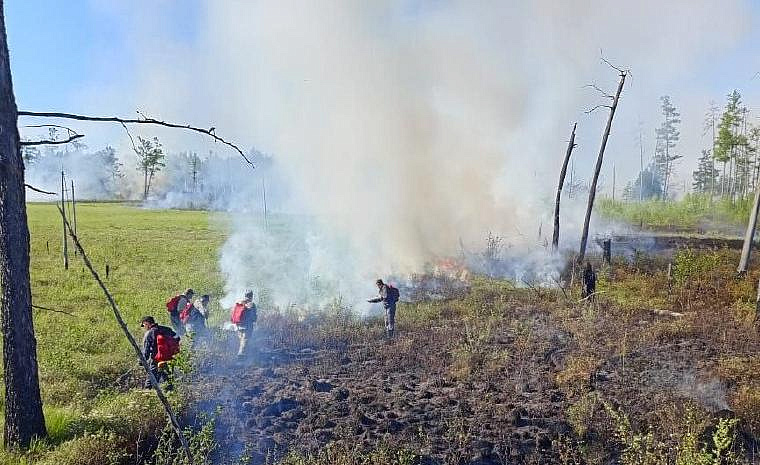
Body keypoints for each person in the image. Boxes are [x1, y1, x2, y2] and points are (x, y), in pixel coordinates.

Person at [140, 316, 181, 389]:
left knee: (152, 377)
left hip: (156, 359)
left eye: (144, 325)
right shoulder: (166, 329)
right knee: (168, 377)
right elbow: (178, 338)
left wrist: (141, 361)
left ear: (147, 323)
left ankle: (147, 393)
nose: (144, 327)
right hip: (168, 357)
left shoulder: (149, 333)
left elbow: (146, 351)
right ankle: (171, 392)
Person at [230, 290, 257, 357]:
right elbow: (253, 316)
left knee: (241, 339)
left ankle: (242, 354)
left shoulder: (239, 302)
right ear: (251, 296)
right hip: (247, 325)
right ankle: (240, 354)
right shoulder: (251, 304)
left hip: (238, 324)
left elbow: (232, 311)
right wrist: (254, 320)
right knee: (245, 339)